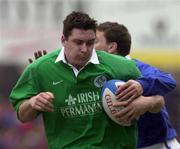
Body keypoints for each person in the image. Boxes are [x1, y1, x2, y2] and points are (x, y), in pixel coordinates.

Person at [9, 11, 146, 149]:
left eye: (90, 43)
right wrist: (32, 103)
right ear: (63, 40)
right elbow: (22, 115)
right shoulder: (39, 69)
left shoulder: (122, 66)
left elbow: (152, 96)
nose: (85, 49)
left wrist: (144, 100)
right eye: (78, 42)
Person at [95, 21, 180, 149]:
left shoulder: (136, 68)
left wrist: (141, 85)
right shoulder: (94, 73)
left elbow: (168, 80)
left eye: (95, 41)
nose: (89, 46)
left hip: (158, 145)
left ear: (111, 47)